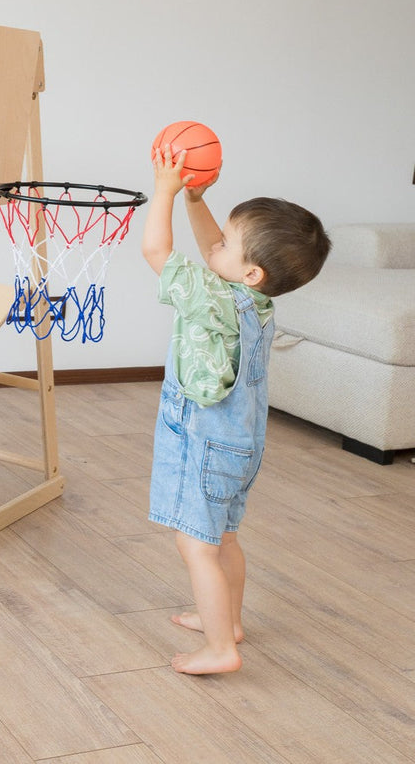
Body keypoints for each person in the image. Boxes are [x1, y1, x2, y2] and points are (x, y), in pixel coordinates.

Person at [141, 144, 331, 674]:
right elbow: (214, 252)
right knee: (224, 536)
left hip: (205, 439)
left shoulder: (213, 297)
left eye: (227, 242)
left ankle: (222, 649)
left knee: (194, 543)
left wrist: (164, 191)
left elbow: (157, 253)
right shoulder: (254, 298)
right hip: (242, 441)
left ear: (250, 271)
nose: (214, 246)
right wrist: (196, 202)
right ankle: (230, 620)